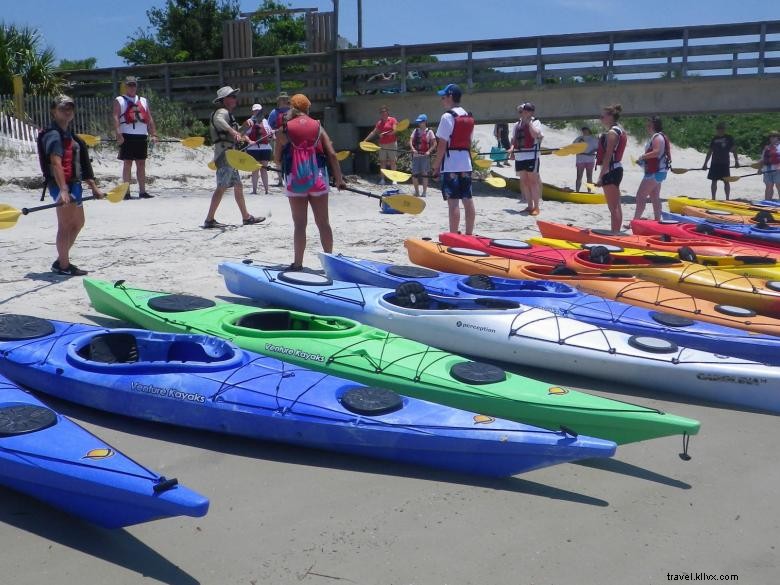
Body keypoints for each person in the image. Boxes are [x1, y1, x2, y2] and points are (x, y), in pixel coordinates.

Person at [274, 93, 346, 270]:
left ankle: (298, 263)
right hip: (318, 177)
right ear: (307, 108)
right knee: (323, 223)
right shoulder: (318, 126)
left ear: (292, 108)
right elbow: (332, 155)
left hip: (295, 179)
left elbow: (276, 159)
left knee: (300, 224)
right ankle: (329, 262)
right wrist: (339, 179)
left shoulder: (284, 128)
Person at [38, 95, 104, 276]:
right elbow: (55, 163)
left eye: (70, 108)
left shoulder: (72, 136)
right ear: (53, 111)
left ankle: (61, 260)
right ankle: (64, 266)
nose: (67, 111)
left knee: (78, 223)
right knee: (65, 225)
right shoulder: (53, 135)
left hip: (74, 184)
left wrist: (93, 187)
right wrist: (63, 190)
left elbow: (83, 164)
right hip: (62, 185)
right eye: (62, 108)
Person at [203, 86, 264, 229]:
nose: (235, 99)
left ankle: (246, 217)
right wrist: (232, 130)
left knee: (238, 186)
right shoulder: (221, 112)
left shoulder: (228, 115)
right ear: (225, 100)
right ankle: (209, 219)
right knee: (221, 187)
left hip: (231, 155)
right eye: (232, 96)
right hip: (225, 156)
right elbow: (219, 121)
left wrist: (244, 127)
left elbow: (237, 135)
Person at [431, 83, 476, 234]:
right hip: (466, 163)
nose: (442, 100)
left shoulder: (447, 117)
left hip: (451, 164)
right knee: (468, 200)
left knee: (453, 203)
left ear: (450, 97)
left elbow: (442, 145)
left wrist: (435, 166)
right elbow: (469, 141)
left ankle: (453, 235)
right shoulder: (469, 116)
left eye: (443, 97)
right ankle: (469, 234)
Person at [112, 76, 157, 200]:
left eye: (134, 85)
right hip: (127, 135)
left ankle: (142, 191)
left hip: (141, 135)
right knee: (127, 163)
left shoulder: (143, 100)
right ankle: (126, 192)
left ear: (136, 86)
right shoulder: (119, 100)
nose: (132, 87)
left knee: (141, 163)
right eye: (129, 85)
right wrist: (118, 133)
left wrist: (154, 134)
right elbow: (115, 116)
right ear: (125, 86)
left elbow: (149, 118)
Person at [595, 103, 628, 233]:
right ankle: (616, 232)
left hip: (611, 170)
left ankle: (615, 234)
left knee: (613, 207)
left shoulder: (612, 133)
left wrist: (600, 176)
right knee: (616, 205)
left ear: (610, 117)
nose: (600, 119)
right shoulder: (619, 130)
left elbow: (608, 156)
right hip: (616, 169)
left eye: (602, 116)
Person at [632, 116, 671, 223]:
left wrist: (642, 157)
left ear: (653, 125)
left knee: (640, 196)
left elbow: (657, 152)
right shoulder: (659, 136)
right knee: (654, 197)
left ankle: (635, 221)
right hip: (659, 172)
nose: (646, 125)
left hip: (655, 173)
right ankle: (658, 220)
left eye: (648, 123)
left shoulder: (657, 137)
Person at [507, 102, 543, 215]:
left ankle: (536, 207)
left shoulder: (536, 122)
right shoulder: (516, 124)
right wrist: (511, 150)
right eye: (523, 110)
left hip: (531, 155)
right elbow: (514, 139)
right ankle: (529, 205)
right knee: (524, 182)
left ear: (531, 112)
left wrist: (529, 123)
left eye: (527, 110)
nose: (524, 112)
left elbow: (535, 135)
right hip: (519, 156)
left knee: (533, 181)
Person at [703, 122, 739, 200]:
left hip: (725, 163)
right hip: (715, 162)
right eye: (719, 128)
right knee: (714, 181)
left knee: (726, 181)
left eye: (722, 128)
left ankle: (727, 199)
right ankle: (713, 198)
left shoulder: (729, 138)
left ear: (724, 129)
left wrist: (736, 161)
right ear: (717, 130)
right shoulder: (714, 139)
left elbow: (734, 150)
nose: (720, 130)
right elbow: (710, 152)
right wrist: (705, 164)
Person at [242, 103, 273, 195]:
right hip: (253, 149)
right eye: (255, 110)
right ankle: (254, 190)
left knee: (264, 169)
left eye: (258, 110)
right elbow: (244, 135)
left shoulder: (265, 121)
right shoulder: (249, 121)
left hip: (265, 148)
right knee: (255, 169)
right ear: (252, 111)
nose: (257, 112)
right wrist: (250, 141)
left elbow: (270, 135)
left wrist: (271, 135)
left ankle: (267, 190)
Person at [363, 105, 398, 183]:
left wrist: (385, 134)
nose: (383, 113)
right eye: (381, 112)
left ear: (387, 112)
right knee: (382, 162)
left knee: (393, 161)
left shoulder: (393, 120)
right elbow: (373, 132)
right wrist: (365, 140)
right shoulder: (379, 123)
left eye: (384, 111)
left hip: (392, 143)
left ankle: (394, 179)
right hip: (382, 144)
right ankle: (382, 179)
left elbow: (395, 130)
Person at [267, 92, 292, 186]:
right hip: (278, 137)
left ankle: (290, 178)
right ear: (279, 101)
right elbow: (269, 126)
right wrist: (273, 133)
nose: (284, 100)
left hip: (290, 138)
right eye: (282, 99)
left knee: (290, 157)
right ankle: (281, 181)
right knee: (277, 159)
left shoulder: (293, 111)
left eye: (285, 99)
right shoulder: (274, 112)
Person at [409, 114, 436, 197]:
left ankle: (424, 192)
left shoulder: (430, 132)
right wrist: (413, 149)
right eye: (419, 122)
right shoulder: (415, 131)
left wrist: (429, 151)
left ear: (425, 122)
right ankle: (417, 192)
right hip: (416, 156)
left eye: (421, 122)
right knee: (414, 174)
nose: (419, 123)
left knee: (425, 174)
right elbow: (410, 141)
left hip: (425, 156)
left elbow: (434, 144)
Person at [573, 127, 598, 192]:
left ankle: (589, 192)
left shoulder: (594, 139)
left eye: (586, 130)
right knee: (579, 176)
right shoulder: (578, 139)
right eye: (583, 130)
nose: (584, 131)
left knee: (589, 176)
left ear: (589, 131)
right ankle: (577, 191)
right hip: (580, 160)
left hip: (590, 160)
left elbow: (598, 148)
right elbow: (572, 147)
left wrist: (591, 151)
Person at [761, 130, 780, 201]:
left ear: (778, 137)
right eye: (771, 136)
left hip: (777, 170)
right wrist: (759, 169)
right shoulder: (766, 147)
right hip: (767, 170)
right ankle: (767, 202)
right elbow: (762, 159)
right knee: (768, 186)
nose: (772, 138)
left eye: (774, 136)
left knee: (779, 185)